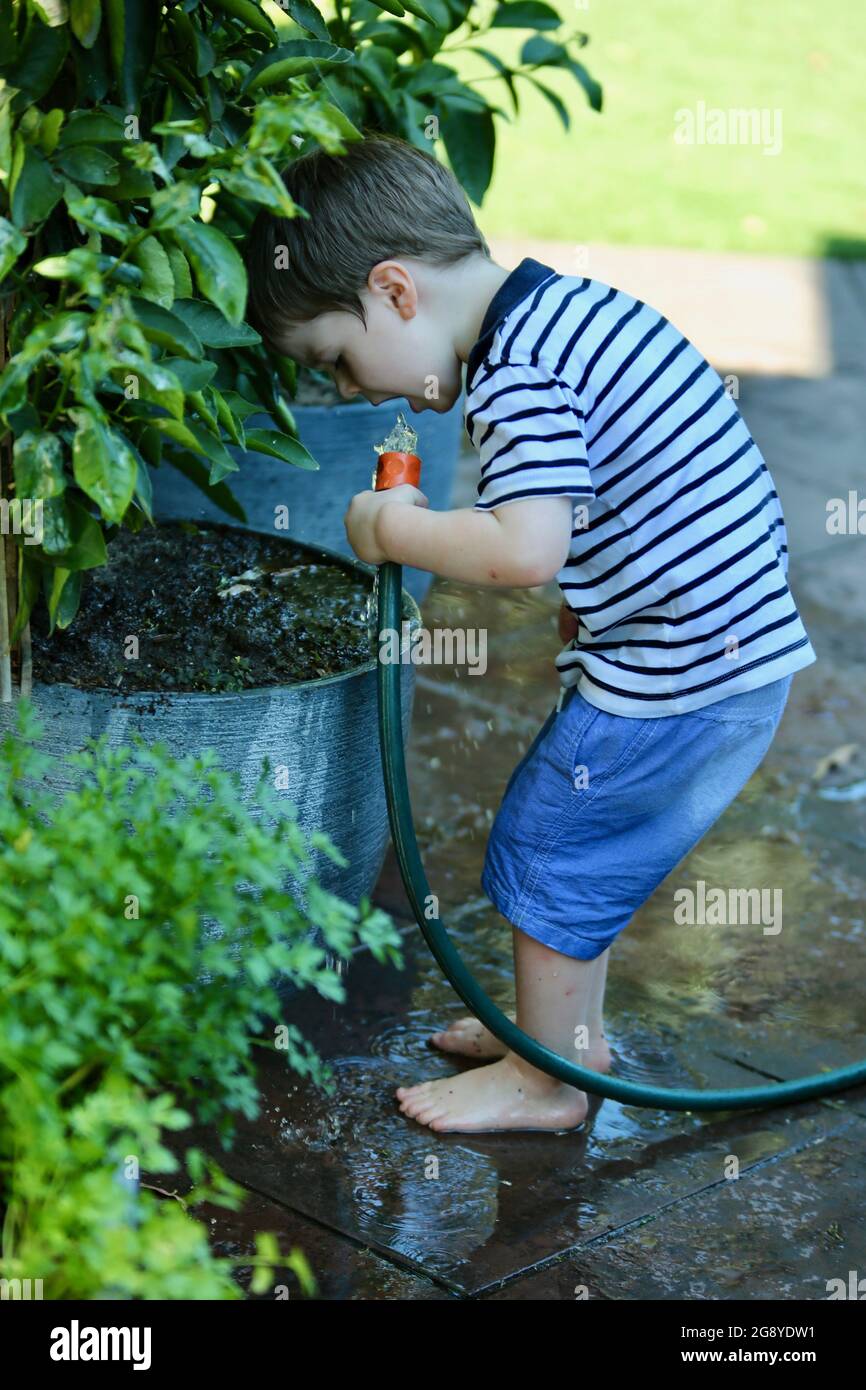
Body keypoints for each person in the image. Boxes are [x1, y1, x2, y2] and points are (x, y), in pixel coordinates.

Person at [245, 133, 816, 1134]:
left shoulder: (516, 376)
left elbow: (523, 548)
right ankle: (549, 1033)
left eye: (336, 357)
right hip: (716, 645)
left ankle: (549, 1080)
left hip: (679, 673)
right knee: (574, 842)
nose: (353, 391)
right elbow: (630, 488)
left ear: (394, 290)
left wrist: (394, 526)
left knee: (550, 847)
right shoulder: (565, 312)